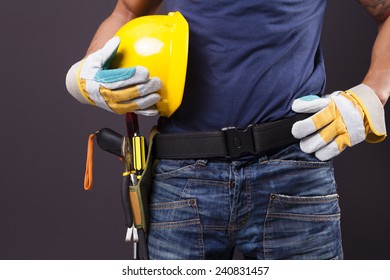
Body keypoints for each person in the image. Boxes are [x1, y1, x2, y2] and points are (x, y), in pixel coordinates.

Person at [65, 0, 388, 259]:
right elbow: (127, 10)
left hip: (293, 170)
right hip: (182, 176)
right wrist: (86, 73)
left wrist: (371, 95)